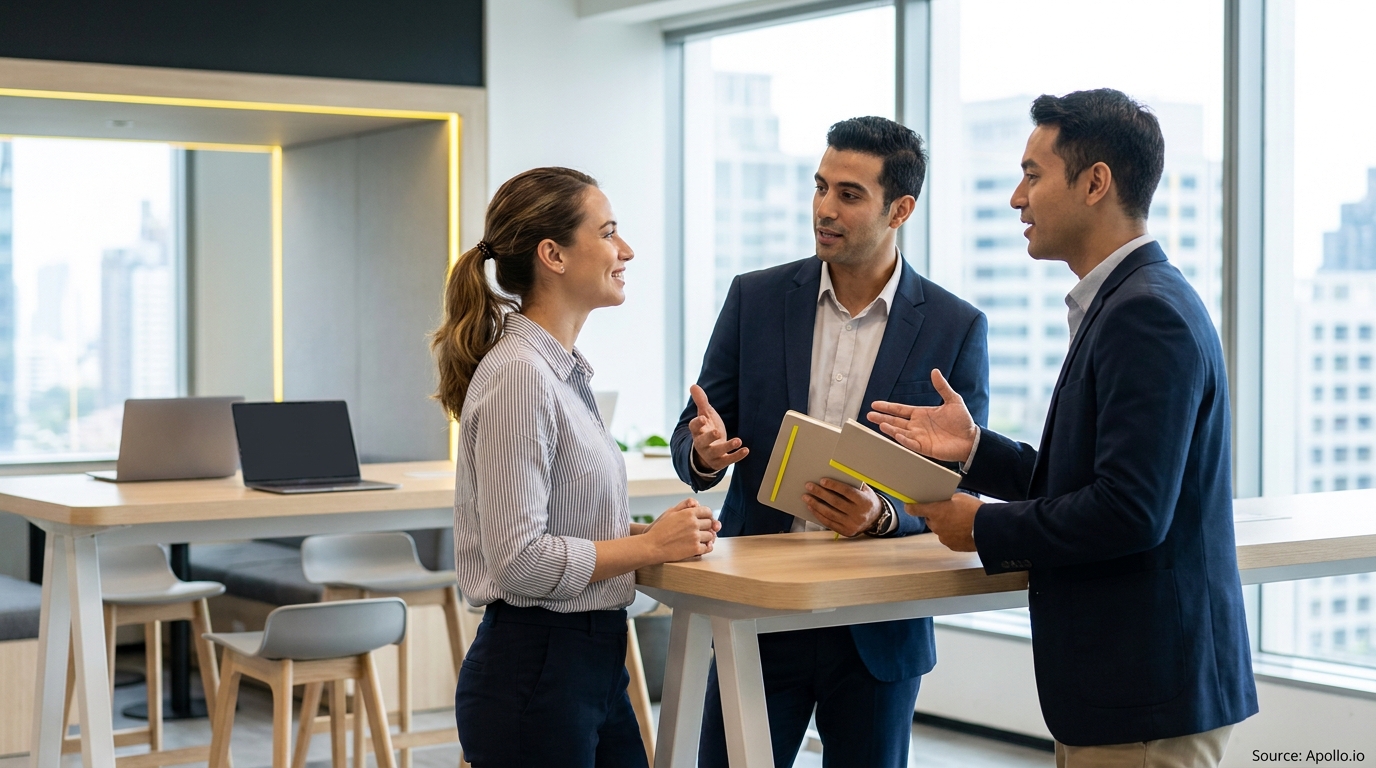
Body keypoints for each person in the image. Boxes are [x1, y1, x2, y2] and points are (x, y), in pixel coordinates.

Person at [869, 89, 1258, 767]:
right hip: (1135, 690)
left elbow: (1131, 510)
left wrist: (981, 527)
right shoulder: (1128, 302)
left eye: (1033, 175)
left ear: (1095, 183)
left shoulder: (1146, 314)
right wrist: (974, 451)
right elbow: (1095, 478)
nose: (1018, 199)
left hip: (1144, 693)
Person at [671, 117, 990, 767]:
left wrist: (883, 516)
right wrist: (702, 452)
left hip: (878, 625)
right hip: (759, 605)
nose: (824, 208)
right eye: (820, 187)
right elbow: (695, 427)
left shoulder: (956, 326)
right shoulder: (755, 299)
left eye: (848, 194)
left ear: (900, 209)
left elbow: (963, 485)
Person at [435, 167, 721, 768]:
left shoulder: (559, 371)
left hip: (585, 665)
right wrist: (644, 551)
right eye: (609, 232)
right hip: (536, 672)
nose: (627, 250)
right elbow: (518, 561)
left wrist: (650, 538)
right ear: (553, 255)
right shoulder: (521, 374)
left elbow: (555, 527)